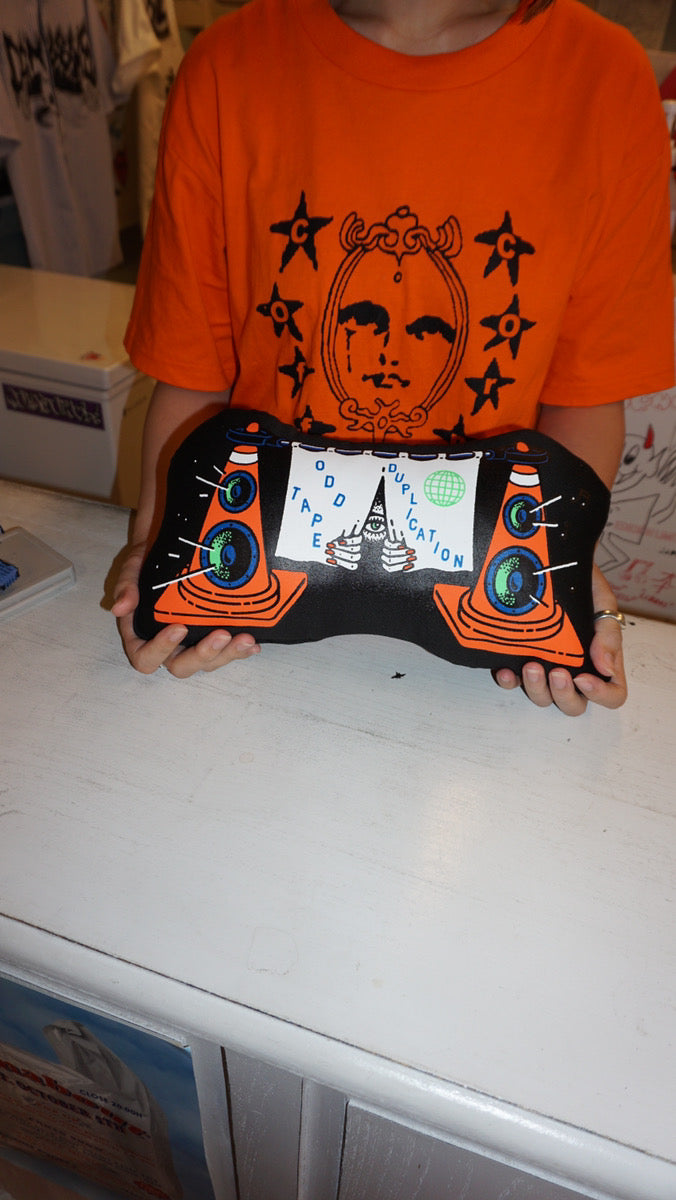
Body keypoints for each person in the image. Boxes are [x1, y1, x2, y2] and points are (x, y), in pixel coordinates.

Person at [113, 0, 675, 714]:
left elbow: (585, 394)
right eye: (364, 323)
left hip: (471, 637)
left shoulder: (606, 78)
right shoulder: (227, 65)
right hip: (252, 627)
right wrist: (157, 546)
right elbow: (191, 370)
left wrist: (559, 559)